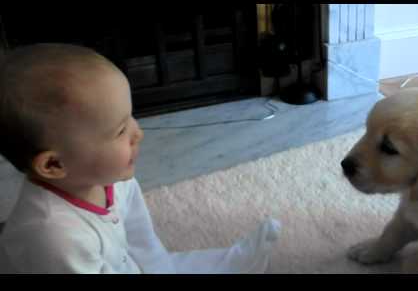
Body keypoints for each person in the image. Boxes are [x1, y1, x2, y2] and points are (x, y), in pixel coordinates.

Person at [0, 43, 280, 274]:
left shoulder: (110, 179)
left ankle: (234, 262)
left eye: (131, 117)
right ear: (54, 165)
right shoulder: (53, 236)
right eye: (120, 130)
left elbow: (142, 242)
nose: (138, 133)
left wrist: (161, 268)